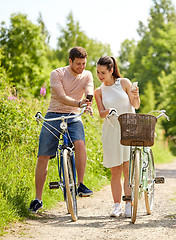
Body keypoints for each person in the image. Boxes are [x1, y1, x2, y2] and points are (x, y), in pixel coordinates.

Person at [29, 46, 94, 213]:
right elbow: (61, 97)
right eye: (78, 64)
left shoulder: (87, 75)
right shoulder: (57, 73)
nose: (81, 67)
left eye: (84, 64)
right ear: (70, 61)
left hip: (73, 116)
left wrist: (88, 101)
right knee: (43, 155)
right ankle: (38, 199)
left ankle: (80, 185)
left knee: (80, 144)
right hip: (53, 115)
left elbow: (89, 90)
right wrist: (79, 103)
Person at [94, 56, 140, 218]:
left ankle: (129, 203)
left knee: (127, 168)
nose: (100, 76)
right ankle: (116, 206)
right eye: (98, 72)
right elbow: (101, 114)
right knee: (115, 171)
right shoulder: (98, 91)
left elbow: (135, 106)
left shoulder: (124, 83)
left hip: (128, 128)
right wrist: (109, 111)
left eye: (103, 72)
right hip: (111, 130)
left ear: (111, 70)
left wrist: (136, 95)